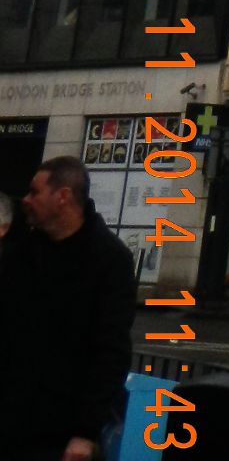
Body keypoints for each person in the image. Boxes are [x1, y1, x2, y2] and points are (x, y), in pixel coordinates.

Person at [0, 155, 137, 461]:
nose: (26, 199)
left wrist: (85, 431)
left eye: (35, 192)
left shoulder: (110, 260)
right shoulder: (19, 255)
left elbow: (111, 351)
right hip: (10, 421)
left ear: (62, 196)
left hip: (59, 434)